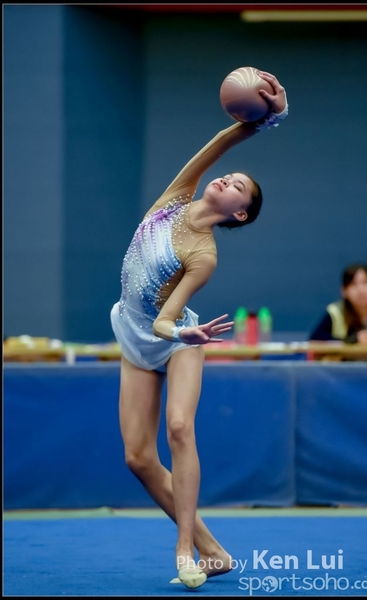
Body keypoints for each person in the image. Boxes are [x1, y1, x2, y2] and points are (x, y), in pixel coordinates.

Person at [110, 70, 288, 589]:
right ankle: (214, 551)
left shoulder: (203, 256)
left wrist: (182, 336)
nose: (227, 180)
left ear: (240, 214)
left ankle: (185, 548)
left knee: (179, 429)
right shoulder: (174, 198)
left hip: (180, 341)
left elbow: (168, 318)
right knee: (138, 458)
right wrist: (273, 115)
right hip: (136, 334)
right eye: (230, 176)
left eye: (239, 188)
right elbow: (220, 143)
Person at [309, 263, 367, 345]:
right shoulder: (335, 313)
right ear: (344, 291)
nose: (361, 289)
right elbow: (314, 342)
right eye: (353, 284)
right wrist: (353, 340)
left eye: (365, 282)